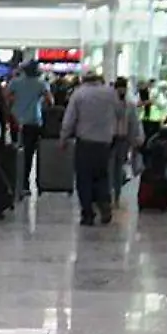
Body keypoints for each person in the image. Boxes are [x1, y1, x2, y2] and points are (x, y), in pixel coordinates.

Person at [61, 72, 122, 226]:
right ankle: (104, 204)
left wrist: (64, 138)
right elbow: (120, 113)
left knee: (84, 178)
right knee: (102, 176)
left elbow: (70, 118)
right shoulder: (110, 93)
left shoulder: (79, 94)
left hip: (85, 142)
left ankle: (87, 213)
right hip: (105, 142)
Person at [7, 63, 51, 193]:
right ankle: (25, 183)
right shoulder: (41, 84)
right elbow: (50, 100)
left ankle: (14, 181)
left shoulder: (15, 82)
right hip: (33, 121)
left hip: (15, 121)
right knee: (29, 153)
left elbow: (6, 98)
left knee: (15, 151)